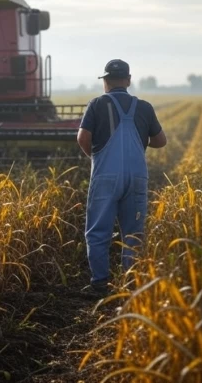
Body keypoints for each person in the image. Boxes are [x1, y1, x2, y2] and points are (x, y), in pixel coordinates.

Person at [77, 59, 167, 295]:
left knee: (98, 232)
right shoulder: (144, 107)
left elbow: (82, 138)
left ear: (105, 81)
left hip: (106, 176)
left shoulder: (96, 104)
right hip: (137, 178)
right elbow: (161, 141)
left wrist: (96, 157)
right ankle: (130, 287)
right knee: (133, 233)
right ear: (128, 80)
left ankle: (100, 284)